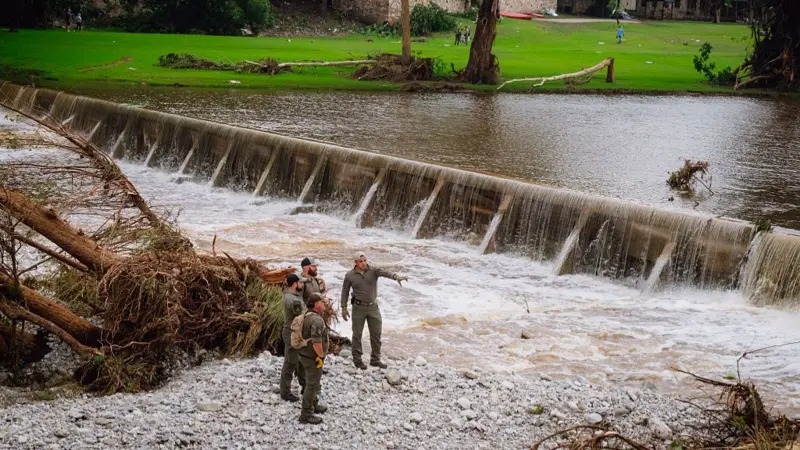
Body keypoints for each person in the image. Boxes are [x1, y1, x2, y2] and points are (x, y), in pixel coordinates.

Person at [340, 251, 408, 370]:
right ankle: (357, 359)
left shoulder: (373, 271)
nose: (364, 263)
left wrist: (396, 277)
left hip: (373, 307)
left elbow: (385, 273)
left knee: (376, 334)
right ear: (355, 263)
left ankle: (375, 359)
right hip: (358, 308)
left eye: (365, 260)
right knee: (357, 335)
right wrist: (344, 308)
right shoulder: (350, 275)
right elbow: (345, 291)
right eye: (361, 261)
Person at [297, 293, 330, 424]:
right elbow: (317, 343)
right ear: (316, 304)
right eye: (322, 302)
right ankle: (306, 414)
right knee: (313, 385)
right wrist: (321, 356)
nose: (324, 304)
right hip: (312, 357)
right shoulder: (316, 320)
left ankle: (313, 404)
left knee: (307, 382)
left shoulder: (306, 315)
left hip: (303, 354)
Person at [279, 274, 305, 402]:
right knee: (290, 362)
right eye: (300, 283)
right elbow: (301, 314)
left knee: (300, 360)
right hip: (291, 333)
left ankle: (304, 386)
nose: (302, 285)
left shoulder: (295, 296)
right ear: (295, 284)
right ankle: (285, 392)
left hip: (296, 332)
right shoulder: (292, 299)